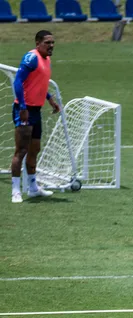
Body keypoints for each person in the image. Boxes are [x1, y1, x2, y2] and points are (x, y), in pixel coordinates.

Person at [10, 30, 61, 204]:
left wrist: (50, 99)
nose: (51, 46)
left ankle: (33, 188)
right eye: (47, 42)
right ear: (38, 43)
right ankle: (16, 191)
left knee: (34, 149)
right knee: (21, 150)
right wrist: (22, 107)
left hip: (36, 110)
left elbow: (38, 83)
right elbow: (18, 81)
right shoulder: (31, 58)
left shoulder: (47, 60)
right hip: (24, 109)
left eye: (53, 42)